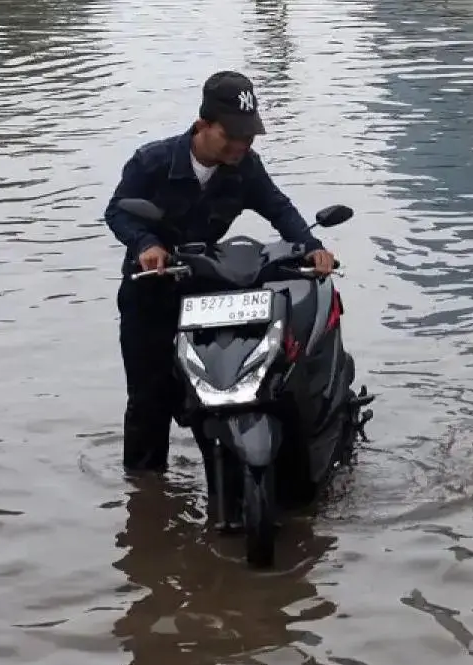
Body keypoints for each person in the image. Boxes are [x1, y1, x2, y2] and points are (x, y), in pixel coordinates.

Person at [103, 70, 335, 474]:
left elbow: (278, 208)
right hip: (151, 292)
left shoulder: (246, 167)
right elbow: (117, 212)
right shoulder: (151, 162)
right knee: (148, 400)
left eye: (248, 137)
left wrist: (312, 247)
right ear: (203, 126)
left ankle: (229, 480)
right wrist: (146, 245)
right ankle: (146, 493)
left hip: (206, 293)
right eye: (232, 136)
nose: (241, 145)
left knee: (220, 389)